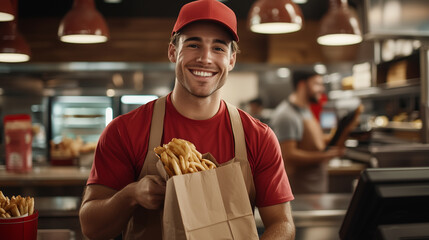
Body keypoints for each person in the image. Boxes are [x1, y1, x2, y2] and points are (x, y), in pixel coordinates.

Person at [79, 0, 295, 239]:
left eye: (219, 48)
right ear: (173, 51)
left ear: (231, 60)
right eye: (193, 44)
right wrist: (131, 194)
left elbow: (283, 224)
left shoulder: (259, 137)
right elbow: (91, 228)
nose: (205, 58)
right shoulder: (124, 130)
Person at [270, 70, 345, 194]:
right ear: (302, 85)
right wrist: (326, 156)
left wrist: (344, 132)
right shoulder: (287, 115)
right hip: (298, 191)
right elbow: (290, 155)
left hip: (314, 188)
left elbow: (314, 140)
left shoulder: (305, 110)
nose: (321, 89)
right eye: (317, 84)